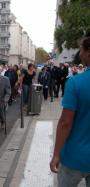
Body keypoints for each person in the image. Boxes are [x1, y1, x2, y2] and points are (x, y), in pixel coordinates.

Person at [50, 36, 90, 186]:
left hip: (75, 156)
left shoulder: (75, 82)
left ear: (87, 53)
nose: (79, 53)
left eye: (81, 49)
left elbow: (66, 123)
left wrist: (56, 155)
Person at [0, 66, 11, 132]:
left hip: (1, 99)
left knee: (1, 113)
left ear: (0, 72)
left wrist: (6, 100)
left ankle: (3, 122)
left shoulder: (5, 79)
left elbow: (8, 91)